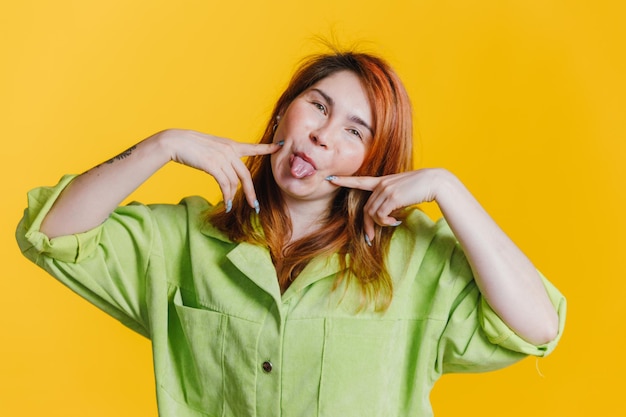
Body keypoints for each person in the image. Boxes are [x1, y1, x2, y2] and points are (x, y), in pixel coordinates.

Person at [16, 49, 565, 417]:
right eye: (317, 106)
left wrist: (451, 190)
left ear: (377, 158)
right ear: (283, 115)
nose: (322, 136)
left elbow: (537, 326)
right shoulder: (185, 239)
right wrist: (163, 145)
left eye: (355, 130)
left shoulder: (412, 260)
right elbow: (51, 232)